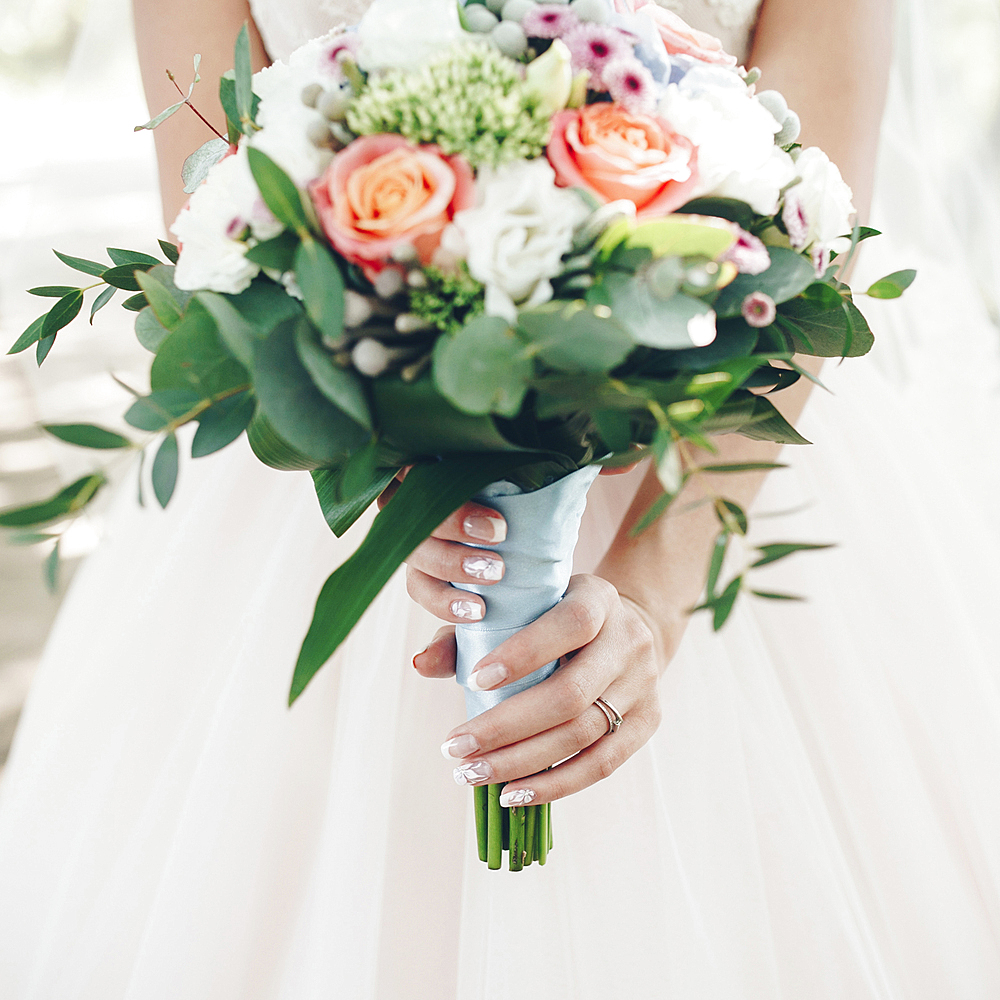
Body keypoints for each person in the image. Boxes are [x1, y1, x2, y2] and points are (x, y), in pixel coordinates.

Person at [1, 0, 1000, 996]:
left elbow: (816, 243)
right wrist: (394, 458)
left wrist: (651, 587)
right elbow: (214, 221)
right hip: (332, 451)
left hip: (705, 446)